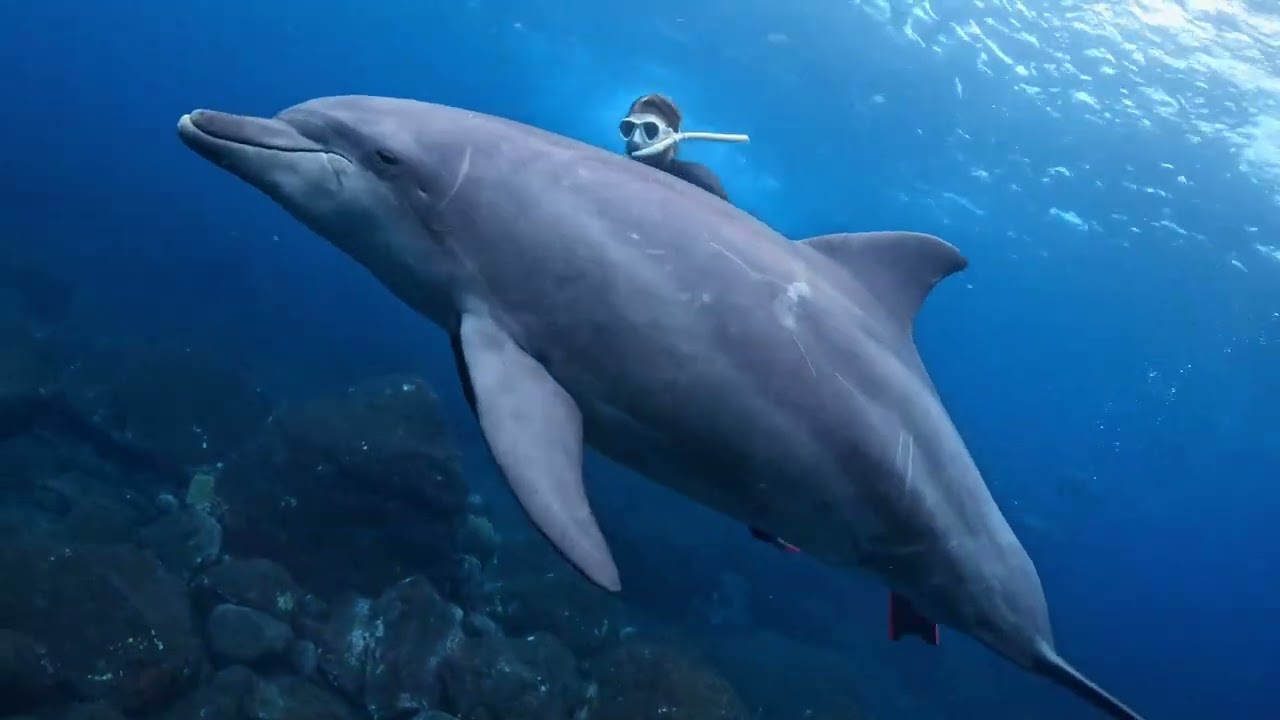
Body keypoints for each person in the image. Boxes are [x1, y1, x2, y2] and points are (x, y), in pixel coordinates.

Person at [619, 93, 748, 203]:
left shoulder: (698, 181)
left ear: (671, 137)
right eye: (629, 128)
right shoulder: (619, 174)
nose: (635, 139)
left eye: (649, 130)